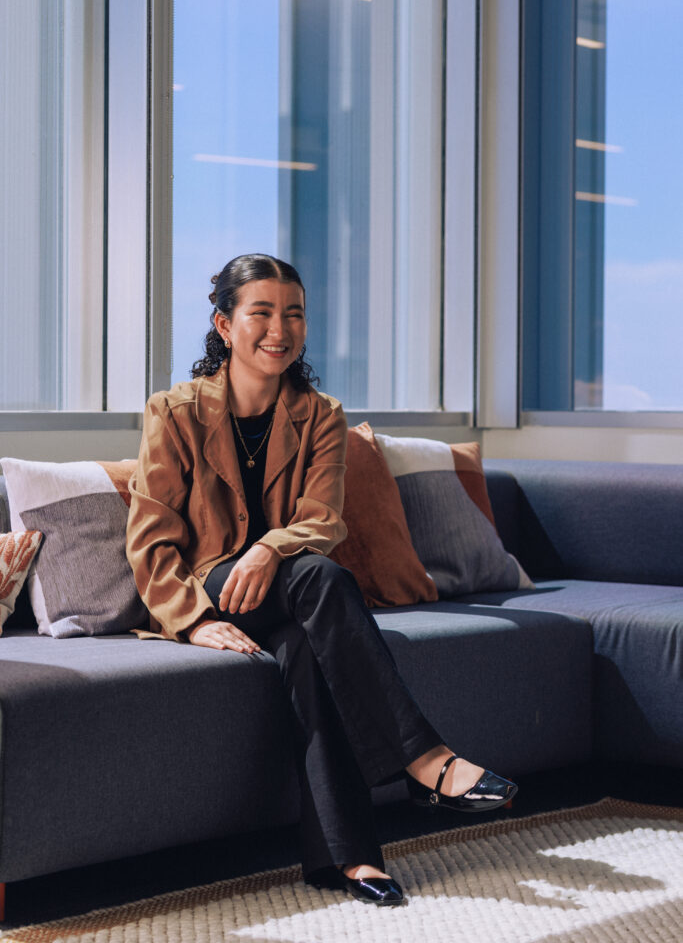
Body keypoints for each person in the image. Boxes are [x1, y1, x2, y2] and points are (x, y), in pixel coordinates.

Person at [126, 253, 517, 907]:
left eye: (294, 313)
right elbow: (149, 535)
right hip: (210, 591)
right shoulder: (174, 413)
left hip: (287, 589)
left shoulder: (320, 415)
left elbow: (322, 519)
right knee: (320, 578)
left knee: (310, 647)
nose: (279, 328)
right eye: (262, 312)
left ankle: (351, 860)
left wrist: (266, 552)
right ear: (224, 325)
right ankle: (425, 760)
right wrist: (193, 620)